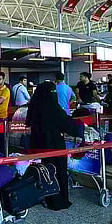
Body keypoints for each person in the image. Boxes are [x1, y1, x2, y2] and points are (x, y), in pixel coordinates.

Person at [26, 81, 85, 211]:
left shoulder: (35, 107)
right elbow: (67, 125)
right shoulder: (53, 108)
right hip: (54, 145)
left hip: (39, 146)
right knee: (57, 171)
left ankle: (45, 196)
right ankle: (58, 200)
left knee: (44, 171)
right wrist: (80, 126)